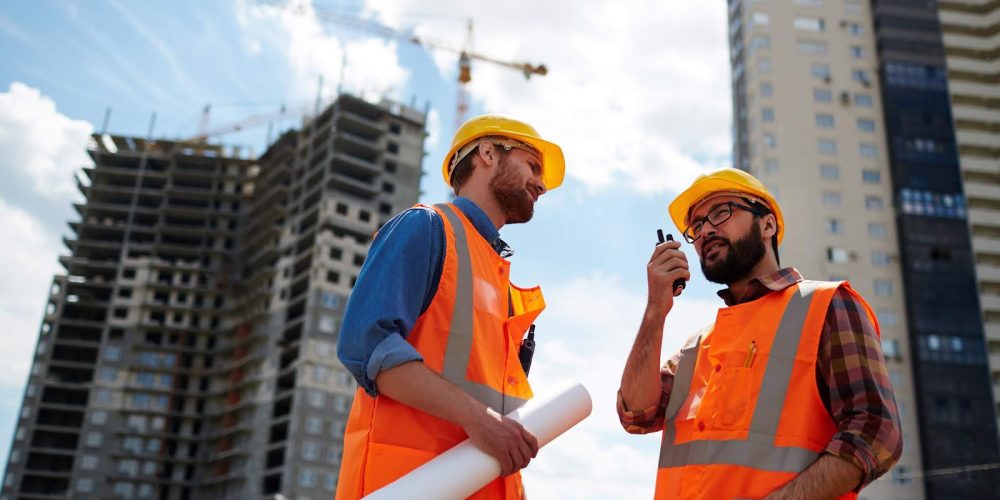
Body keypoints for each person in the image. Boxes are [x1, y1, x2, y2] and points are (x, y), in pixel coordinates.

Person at [618, 168, 902, 499]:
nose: (706, 230)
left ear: (767, 224)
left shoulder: (827, 305)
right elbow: (636, 414)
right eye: (696, 226)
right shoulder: (697, 347)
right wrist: (656, 309)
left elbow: (876, 432)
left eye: (721, 212)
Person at [335, 115, 565, 499]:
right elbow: (367, 347)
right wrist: (481, 420)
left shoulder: (496, 277)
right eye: (533, 165)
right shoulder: (426, 227)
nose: (541, 184)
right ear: (488, 153)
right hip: (404, 483)